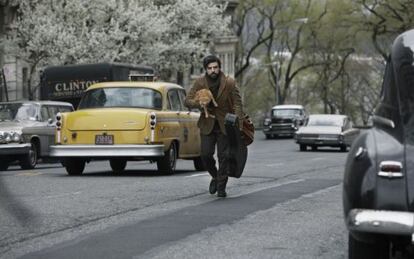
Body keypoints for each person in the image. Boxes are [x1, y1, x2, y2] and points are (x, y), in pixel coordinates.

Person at [185, 55, 244, 198]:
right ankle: (215, 177)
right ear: (206, 69)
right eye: (210, 68)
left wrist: (238, 123)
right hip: (207, 124)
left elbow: (237, 103)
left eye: (215, 67)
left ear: (219, 67)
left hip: (225, 125)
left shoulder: (229, 82)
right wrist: (200, 103)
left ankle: (222, 187)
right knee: (205, 155)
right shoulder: (199, 82)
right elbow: (187, 100)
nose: (213, 70)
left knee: (223, 157)